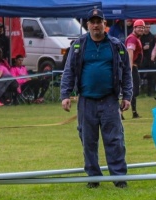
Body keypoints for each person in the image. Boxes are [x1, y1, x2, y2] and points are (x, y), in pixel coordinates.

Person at [60, 7, 132, 189]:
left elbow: (126, 72)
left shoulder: (116, 45)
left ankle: (119, 178)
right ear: (88, 25)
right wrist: (65, 95)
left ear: (104, 23)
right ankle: (93, 178)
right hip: (86, 101)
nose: (96, 25)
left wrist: (127, 95)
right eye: (92, 22)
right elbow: (69, 71)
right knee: (88, 141)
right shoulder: (78, 46)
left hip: (109, 100)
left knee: (115, 140)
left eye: (99, 21)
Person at [125, 20, 144, 117]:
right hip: (132, 67)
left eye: (142, 28)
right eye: (139, 27)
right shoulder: (132, 38)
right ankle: (120, 111)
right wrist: (130, 69)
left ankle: (134, 113)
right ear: (134, 28)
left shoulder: (136, 38)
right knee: (133, 90)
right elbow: (130, 54)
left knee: (134, 90)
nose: (141, 29)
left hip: (134, 67)